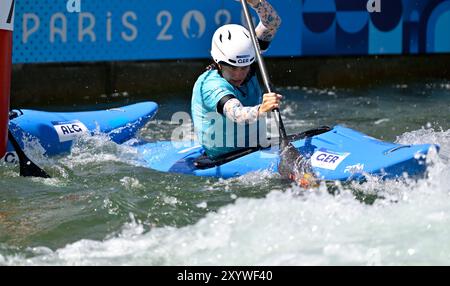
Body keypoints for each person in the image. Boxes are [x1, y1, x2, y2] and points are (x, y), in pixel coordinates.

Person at [191, 0, 282, 160]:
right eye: (232, 68)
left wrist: (256, 2)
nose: (239, 74)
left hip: (257, 147)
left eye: (244, 68)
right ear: (218, 63)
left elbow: (272, 23)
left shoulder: (250, 59)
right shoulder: (210, 85)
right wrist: (261, 109)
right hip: (225, 157)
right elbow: (236, 114)